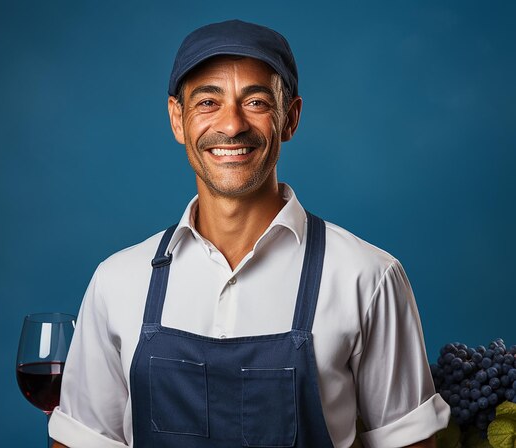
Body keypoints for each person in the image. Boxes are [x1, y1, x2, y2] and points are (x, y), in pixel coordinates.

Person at [49, 19, 450, 447]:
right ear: (177, 119)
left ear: (290, 119)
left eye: (255, 102)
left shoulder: (368, 278)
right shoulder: (118, 282)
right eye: (207, 102)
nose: (232, 125)